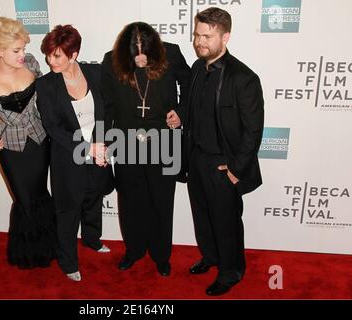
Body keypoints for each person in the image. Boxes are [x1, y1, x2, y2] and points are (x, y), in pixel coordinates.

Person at [180, 7, 264, 295]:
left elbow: (253, 131)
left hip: (223, 166)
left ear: (225, 37)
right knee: (202, 216)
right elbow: (192, 110)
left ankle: (231, 271)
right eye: (197, 34)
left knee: (226, 223)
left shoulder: (243, 78)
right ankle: (211, 257)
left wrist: (235, 170)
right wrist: (179, 117)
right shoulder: (195, 68)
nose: (199, 41)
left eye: (207, 36)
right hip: (196, 158)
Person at [101, 22, 190, 276]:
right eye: (135, 52)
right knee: (130, 201)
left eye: (145, 51)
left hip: (164, 141)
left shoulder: (171, 54)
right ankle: (134, 250)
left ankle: (162, 255)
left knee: (162, 201)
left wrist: (181, 113)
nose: (140, 57)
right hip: (126, 141)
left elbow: (190, 85)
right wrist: (105, 142)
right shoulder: (111, 62)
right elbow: (107, 106)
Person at [0, 17, 56, 269]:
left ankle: (48, 249)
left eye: (23, 49)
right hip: (10, 148)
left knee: (41, 195)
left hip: (40, 141)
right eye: (16, 50)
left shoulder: (31, 63)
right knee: (25, 200)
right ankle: (28, 253)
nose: (23, 55)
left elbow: (47, 98)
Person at [36, 25, 113, 282]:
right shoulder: (46, 85)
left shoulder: (96, 72)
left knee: (94, 199)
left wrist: (103, 144)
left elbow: (106, 112)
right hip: (68, 156)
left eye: (57, 55)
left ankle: (92, 239)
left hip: (98, 149)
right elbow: (52, 127)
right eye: (49, 55)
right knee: (68, 210)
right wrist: (86, 148)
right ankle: (68, 261)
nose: (50, 60)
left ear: (74, 54)